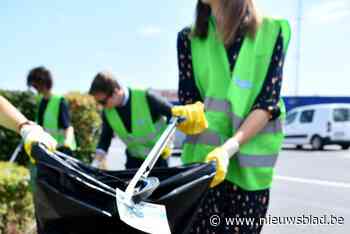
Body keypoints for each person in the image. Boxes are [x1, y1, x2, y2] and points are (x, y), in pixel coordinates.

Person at [177, 0, 291, 233]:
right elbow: (190, 99)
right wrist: (188, 116)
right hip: (204, 169)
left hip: (248, 174)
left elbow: (267, 104)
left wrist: (228, 149)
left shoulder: (272, 32)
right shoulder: (188, 38)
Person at [88, 71, 207, 170]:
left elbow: (174, 115)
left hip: (158, 161)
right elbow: (105, 140)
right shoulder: (108, 113)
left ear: (115, 91)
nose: (102, 106)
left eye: (103, 102)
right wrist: (95, 165)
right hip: (134, 164)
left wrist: (168, 141)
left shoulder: (147, 97)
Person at [27, 66, 76, 153]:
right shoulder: (41, 102)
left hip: (62, 150)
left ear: (43, 83)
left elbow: (68, 127)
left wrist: (67, 143)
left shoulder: (59, 101)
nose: (34, 88)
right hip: (47, 149)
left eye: (35, 85)